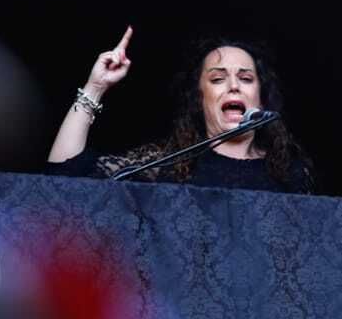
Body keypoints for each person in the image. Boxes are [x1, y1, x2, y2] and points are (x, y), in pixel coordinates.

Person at [46, 28, 314, 194]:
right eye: (218, 79)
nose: (234, 86)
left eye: (245, 78)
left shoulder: (288, 173)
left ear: (261, 98)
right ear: (199, 98)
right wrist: (95, 87)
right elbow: (65, 176)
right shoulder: (169, 165)